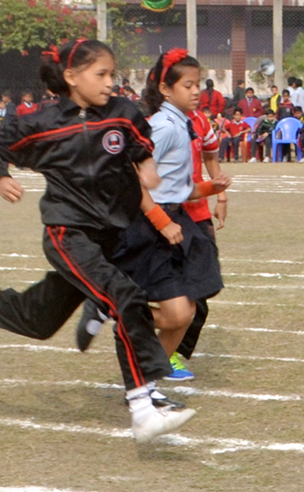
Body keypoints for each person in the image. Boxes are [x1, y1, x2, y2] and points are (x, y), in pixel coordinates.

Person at [0, 38, 196, 444]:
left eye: (112, 74)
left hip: (107, 239)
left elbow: (140, 146)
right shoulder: (42, 124)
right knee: (124, 296)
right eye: (101, 74)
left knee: (37, 321)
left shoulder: (123, 115)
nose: (111, 82)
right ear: (71, 77)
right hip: (66, 233)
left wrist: (147, 168)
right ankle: (143, 408)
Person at [81, 49, 231, 384]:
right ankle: (112, 305)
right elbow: (130, 175)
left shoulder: (183, 124)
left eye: (197, 85)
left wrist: (211, 188)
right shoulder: (163, 127)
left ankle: (146, 382)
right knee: (181, 310)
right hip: (149, 224)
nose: (196, 92)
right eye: (188, 85)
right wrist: (160, 221)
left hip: (175, 220)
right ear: (166, 89)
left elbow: (178, 188)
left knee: (186, 311)